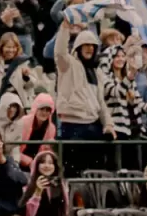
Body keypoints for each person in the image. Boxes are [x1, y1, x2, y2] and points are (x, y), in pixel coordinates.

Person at [55, 19, 114, 177]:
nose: (89, 48)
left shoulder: (97, 73)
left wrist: (108, 124)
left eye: (92, 46)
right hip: (73, 126)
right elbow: (60, 52)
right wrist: (65, 28)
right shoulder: (68, 65)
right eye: (86, 45)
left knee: (96, 171)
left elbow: (101, 103)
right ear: (78, 47)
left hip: (92, 126)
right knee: (72, 172)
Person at [17, 150, 67, 216]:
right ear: (36, 165)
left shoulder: (59, 186)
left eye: (51, 163)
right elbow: (30, 215)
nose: (47, 166)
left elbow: (61, 215)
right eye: (43, 162)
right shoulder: (27, 186)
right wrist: (38, 192)